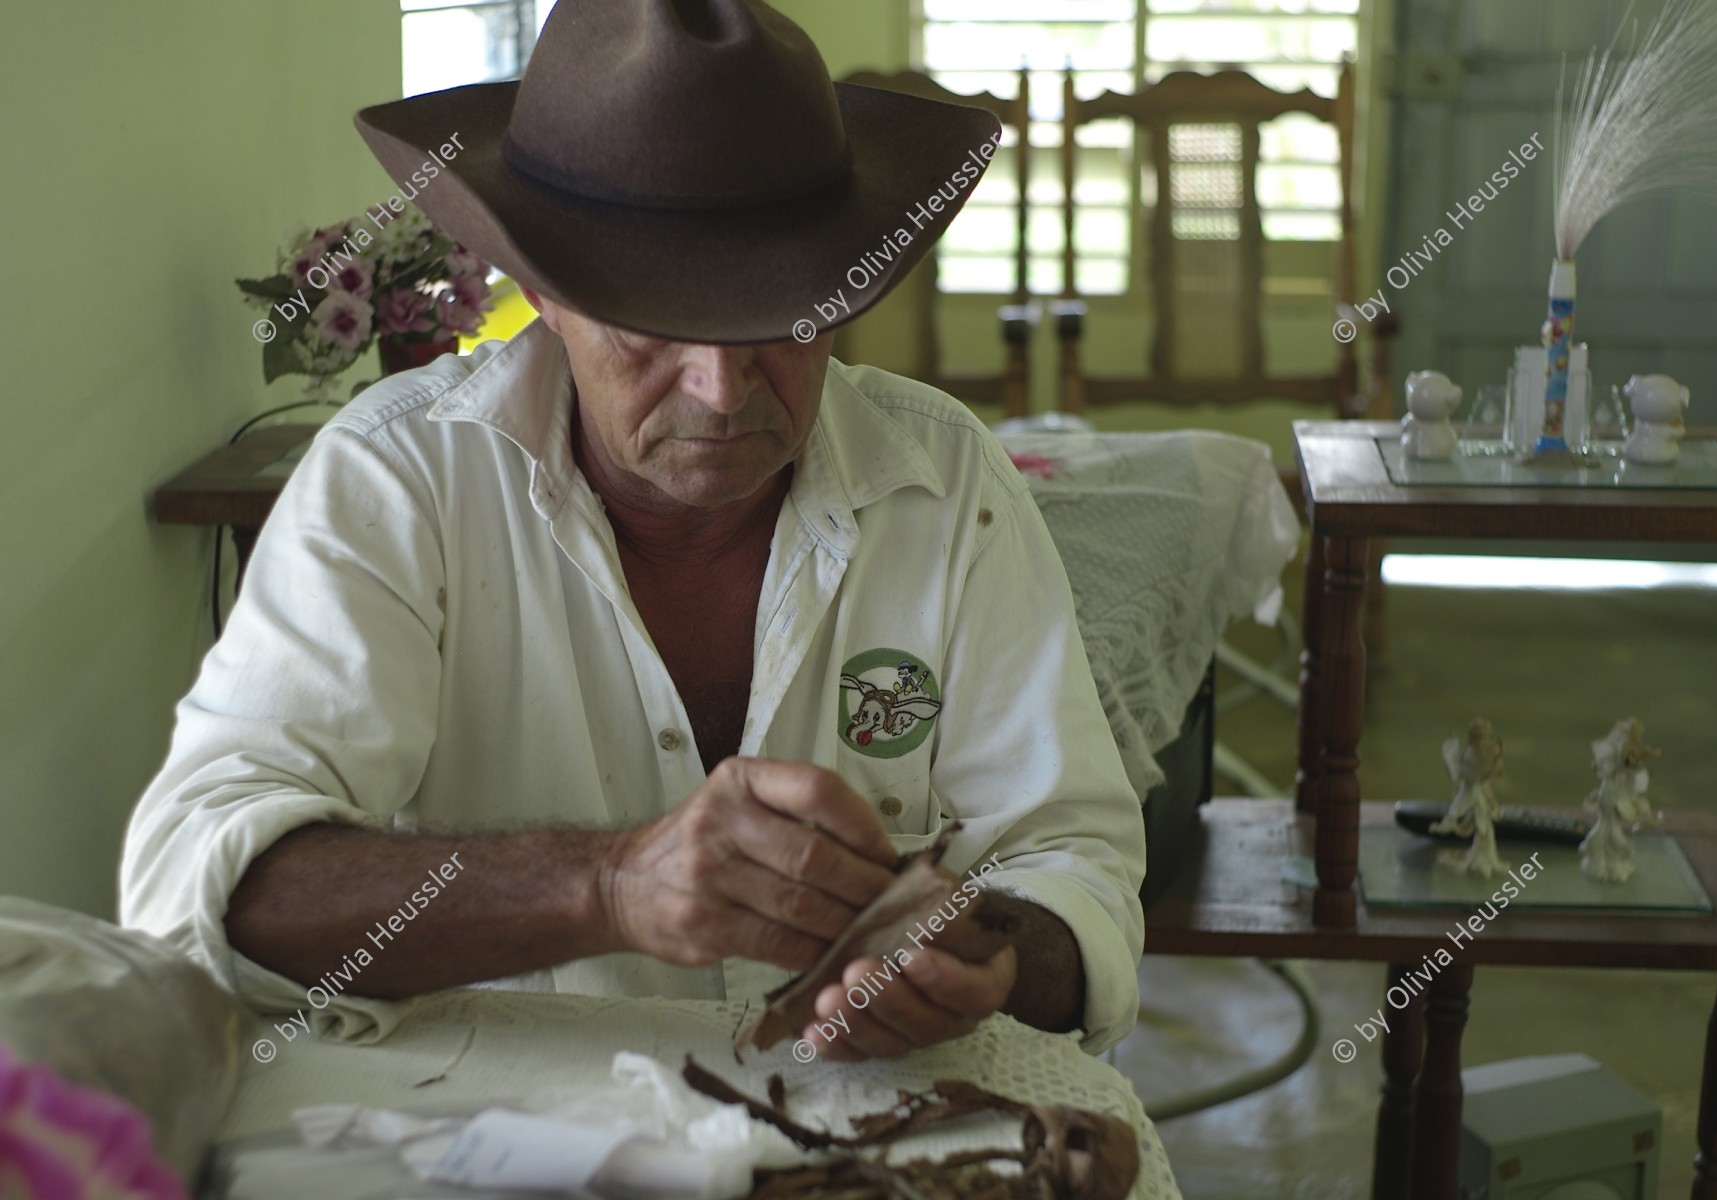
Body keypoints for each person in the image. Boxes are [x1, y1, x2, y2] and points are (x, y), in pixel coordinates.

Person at [120, 0, 1145, 1061]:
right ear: (540, 295)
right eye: (654, 323)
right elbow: (198, 880)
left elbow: (1077, 864)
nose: (718, 389)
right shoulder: (399, 480)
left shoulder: (947, 486)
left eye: (778, 319)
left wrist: (995, 959)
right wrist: (605, 886)